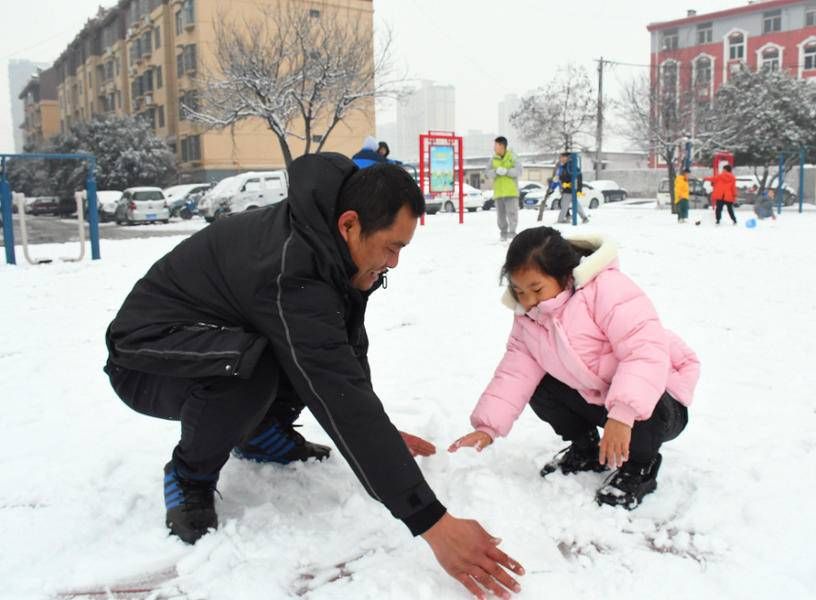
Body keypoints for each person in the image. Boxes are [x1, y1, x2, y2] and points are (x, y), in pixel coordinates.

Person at [104, 154, 524, 598]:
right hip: (148, 357)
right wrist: (433, 522)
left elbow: (342, 351)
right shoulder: (294, 269)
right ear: (349, 225)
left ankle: (261, 433)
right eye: (392, 247)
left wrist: (380, 429)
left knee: (275, 354)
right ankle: (189, 476)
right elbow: (331, 384)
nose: (395, 262)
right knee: (255, 367)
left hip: (214, 341)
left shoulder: (328, 246)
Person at [450, 227, 699, 509]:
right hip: (601, 397)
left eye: (536, 289)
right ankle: (586, 448)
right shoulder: (529, 316)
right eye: (519, 291)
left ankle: (640, 466)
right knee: (539, 386)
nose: (528, 300)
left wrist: (623, 414)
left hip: (661, 402)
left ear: (565, 276)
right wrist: (488, 427)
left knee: (643, 401)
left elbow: (645, 353)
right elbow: (515, 373)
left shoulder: (607, 289)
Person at [485, 136, 521, 241]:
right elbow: (487, 173)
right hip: (499, 192)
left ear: (502, 146)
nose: (494, 148)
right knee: (500, 216)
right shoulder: (493, 159)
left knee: (512, 214)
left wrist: (506, 171)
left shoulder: (512, 157)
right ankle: (503, 234)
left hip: (511, 192)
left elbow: (519, 171)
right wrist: (495, 172)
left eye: (496, 145)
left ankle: (512, 233)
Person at [552, 153, 589, 224]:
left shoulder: (571, 167)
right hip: (567, 190)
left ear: (567, 158)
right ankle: (584, 218)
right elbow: (564, 176)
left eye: (562, 157)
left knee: (564, 205)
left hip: (569, 190)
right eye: (560, 157)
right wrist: (558, 178)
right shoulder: (565, 167)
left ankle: (560, 220)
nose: (561, 159)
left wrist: (577, 188)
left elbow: (577, 178)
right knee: (575, 205)